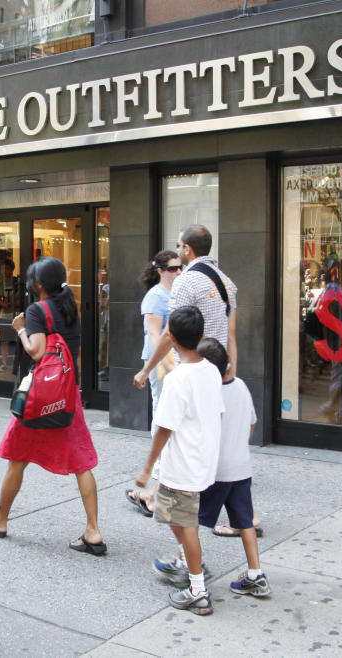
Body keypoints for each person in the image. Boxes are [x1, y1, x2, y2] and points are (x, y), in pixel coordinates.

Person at [0, 257, 106, 555]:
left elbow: (37, 350)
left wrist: (19, 329)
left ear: (39, 285)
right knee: (81, 463)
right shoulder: (70, 308)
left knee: (17, 458)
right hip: (67, 395)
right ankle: (93, 531)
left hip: (40, 398)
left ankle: (0, 520)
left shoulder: (36, 311)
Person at [135, 305, 223, 616]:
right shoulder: (211, 370)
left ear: (170, 337)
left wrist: (148, 467)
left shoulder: (177, 380)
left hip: (183, 465)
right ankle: (189, 562)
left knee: (184, 523)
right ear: (201, 336)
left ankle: (197, 588)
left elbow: (164, 429)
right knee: (172, 515)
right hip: (202, 460)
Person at [196, 337, 271, 597]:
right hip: (241, 467)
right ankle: (255, 574)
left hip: (216, 470)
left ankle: (187, 564)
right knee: (245, 522)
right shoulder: (240, 386)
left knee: (191, 520)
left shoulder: (210, 394)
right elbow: (251, 422)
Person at [134, 225, 238, 388]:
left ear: (187, 249)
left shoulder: (185, 281)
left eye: (178, 245)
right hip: (220, 371)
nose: (178, 249)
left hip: (192, 372)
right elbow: (231, 333)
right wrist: (232, 374)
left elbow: (170, 332)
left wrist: (146, 370)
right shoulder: (226, 282)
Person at [126, 250, 181, 517]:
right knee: (162, 418)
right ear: (160, 270)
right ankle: (159, 477)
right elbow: (154, 334)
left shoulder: (173, 293)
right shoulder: (156, 297)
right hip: (162, 364)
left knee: (169, 419)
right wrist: (159, 367)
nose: (178, 272)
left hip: (174, 362)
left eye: (180, 267)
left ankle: (163, 479)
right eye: (172, 268)